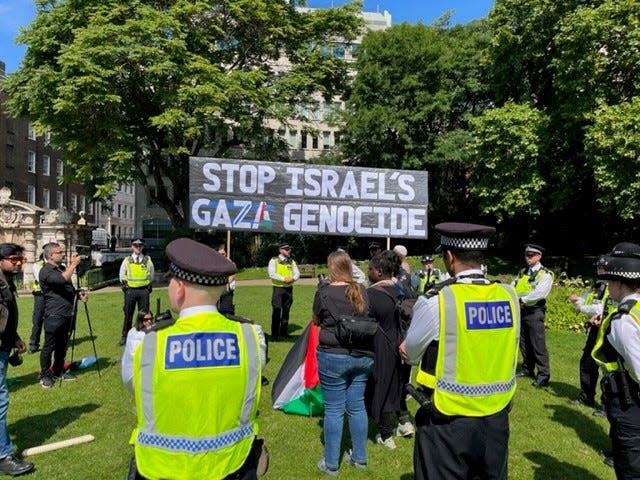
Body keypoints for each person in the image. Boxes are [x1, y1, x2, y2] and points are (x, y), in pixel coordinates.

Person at [122, 238, 262, 480]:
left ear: (179, 288)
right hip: (234, 464)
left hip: (160, 468)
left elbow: (133, 386)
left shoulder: (145, 342)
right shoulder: (251, 336)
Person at [400, 222, 520, 480]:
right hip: (496, 416)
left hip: (448, 419)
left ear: (449, 257)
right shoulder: (509, 296)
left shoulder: (438, 301)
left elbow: (410, 353)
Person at [312, 250, 374, 476]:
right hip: (363, 355)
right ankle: (360, 459)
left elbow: (316, 319)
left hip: (333, 356)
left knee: (334, 409)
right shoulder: (362, 291)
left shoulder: (324, 292)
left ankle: (331, 464)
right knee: (357, 406)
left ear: (331, 268)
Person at [591, 242, 640, 479]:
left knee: (630, 469)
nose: (608, 286)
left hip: (629, 403)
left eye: (610, 282)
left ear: (620, 283)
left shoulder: (624, 320)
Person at [367, 250, 414, 451]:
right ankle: (402, 423)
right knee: (398, 386)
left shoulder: (371, 294)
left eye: (369, 269)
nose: (367, 272)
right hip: (405, 344)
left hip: (382, 347)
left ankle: (385, 434)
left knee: (382, 389)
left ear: (378, 271)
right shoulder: (403, 289)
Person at [0, 244, 35, 476]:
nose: (19, 263)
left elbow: (5, 315)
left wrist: (15, 339)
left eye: (21, 258)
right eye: (14, 259)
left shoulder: (6, 280)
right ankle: (3, 455)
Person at [568, 257, 614, 410]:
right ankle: (586, 397)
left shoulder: (614, 286)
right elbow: (584, 301)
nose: (599, 270)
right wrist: (579, 303)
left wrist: (581, 308)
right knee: (587, 363)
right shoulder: (598, 285)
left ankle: (606, 405)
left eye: (602, 267)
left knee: (607, 368)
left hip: (610, 330)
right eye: (598, 267)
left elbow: (598, 309)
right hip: (595, 330)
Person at [39, 242, 88, 388]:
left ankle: (58, 370)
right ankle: (45, 375)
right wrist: (73, 265)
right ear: (50, 255)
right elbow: (62, 280)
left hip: (68, 313)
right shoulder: (46, 271)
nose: (63, 254)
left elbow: (68, 288)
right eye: (59, 252)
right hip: (54, 314)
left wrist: (79, 295)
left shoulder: (61, 268)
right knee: (49, 346)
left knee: (62, 345)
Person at [513, 243, 554, 387]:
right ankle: (527, 369)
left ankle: (543, 375)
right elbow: (513, 286)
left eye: (530, 255)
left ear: (538, 256)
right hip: (521, 310)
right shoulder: (522, 272)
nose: (527, 258)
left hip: (534, 311)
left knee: (538, 344)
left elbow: (540, 293)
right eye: (526, 255)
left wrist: (521, 300)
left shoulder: (545, 274)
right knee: (524, 342)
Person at [118, 238, 154, 346]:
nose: (138, 247)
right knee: (128, 314)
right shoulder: (127, 260)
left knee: (145, 315)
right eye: (136, 245)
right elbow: (122, 274)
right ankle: (125, 337)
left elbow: (151, 274)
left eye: (140, 245)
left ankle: (145, 335)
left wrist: (147, 285)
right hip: (130, 291)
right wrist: (125, 286)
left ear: (142, 247)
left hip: (143, 290)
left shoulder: (147, 260)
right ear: (132, 247)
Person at [268, 243, 299, 339]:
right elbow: (271, 274)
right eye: (286, 249)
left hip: (289, 289)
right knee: (277, 311)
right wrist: (284, 279)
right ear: (280, 250)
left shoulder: (291, 261)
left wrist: (293, 278)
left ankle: (284, 332)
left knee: (286, 311)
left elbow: (297, 273)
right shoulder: (274, 260)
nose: (288, 250)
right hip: (278, 289)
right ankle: (275, 334)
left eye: (289, 249)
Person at [120, 310, 153, 392]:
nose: (149, 321)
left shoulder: (132, 331)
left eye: (151, 319)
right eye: (146, 319)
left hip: (126, 374)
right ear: (140, 320)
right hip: (134, 376)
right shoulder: (142, 335)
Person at [28, 252, 45, 353]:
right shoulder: (37, 265)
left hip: (53, 296)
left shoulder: (60, 265)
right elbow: (41, 279)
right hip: (40, 296)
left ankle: (53, 342)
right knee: (37, 320)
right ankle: (33, 344)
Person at [216, 244, 236, 315]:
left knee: (227, 315)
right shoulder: (214, 265)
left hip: (227, 293)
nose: (222, 256)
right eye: (220, 254)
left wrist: (229, 265)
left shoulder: (231, 265)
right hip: (216, 294)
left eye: (223, 254)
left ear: (226, 254)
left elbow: (230, 279)